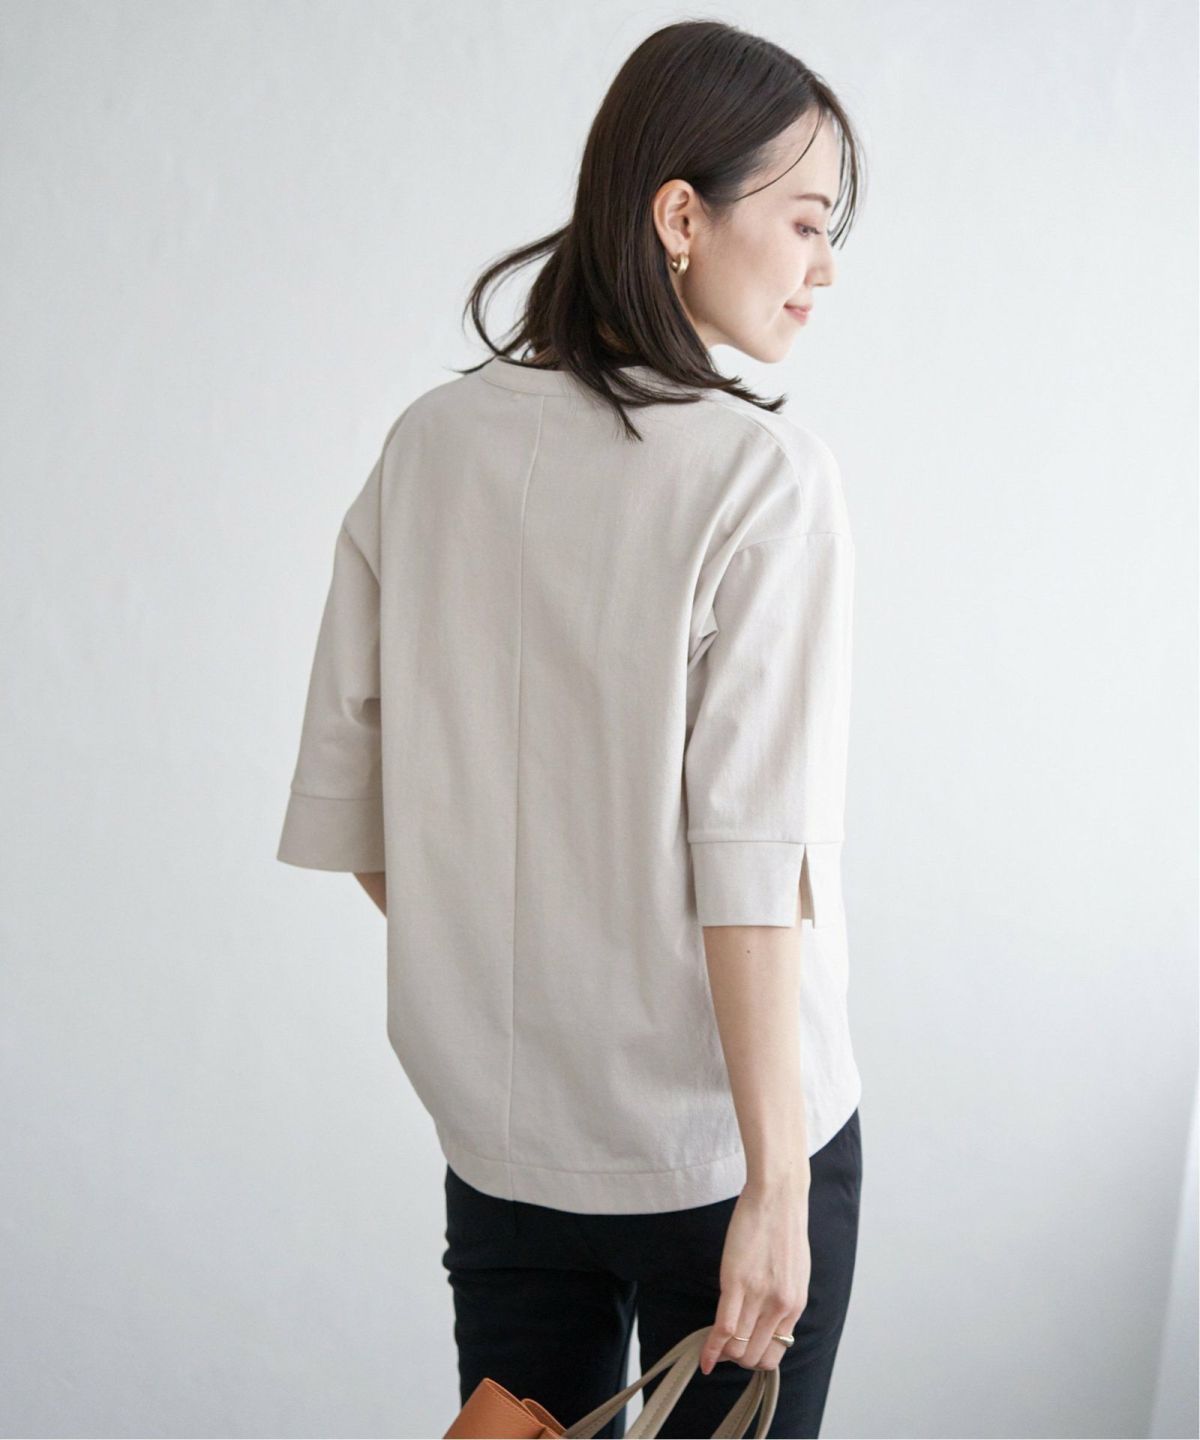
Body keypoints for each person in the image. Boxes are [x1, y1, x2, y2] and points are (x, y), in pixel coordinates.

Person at [276, 18, 866, 1439]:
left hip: (506, 1153)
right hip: (725, 1153)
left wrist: (540, 978)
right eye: (803, 220)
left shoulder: (428, 447)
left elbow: (360, 809)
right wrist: (777, 1187)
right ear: (681, 217)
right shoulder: (759, 477)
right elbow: (750, 859)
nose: (824, 265)